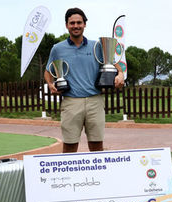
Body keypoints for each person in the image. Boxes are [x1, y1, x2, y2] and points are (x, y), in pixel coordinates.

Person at [44, 7, 124, 153]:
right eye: (72, 23)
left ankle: (97, 177)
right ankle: (69, 177)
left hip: (95, 101)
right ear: (67, 25)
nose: (76, 26)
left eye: (79, 22)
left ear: (85, 24)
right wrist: (50, 84)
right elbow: (48, 71)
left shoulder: (97, 46)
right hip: (71, 102)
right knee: (69, 147)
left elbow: (115, 64)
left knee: (97, 147)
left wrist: (120, 74)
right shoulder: (57, 48)